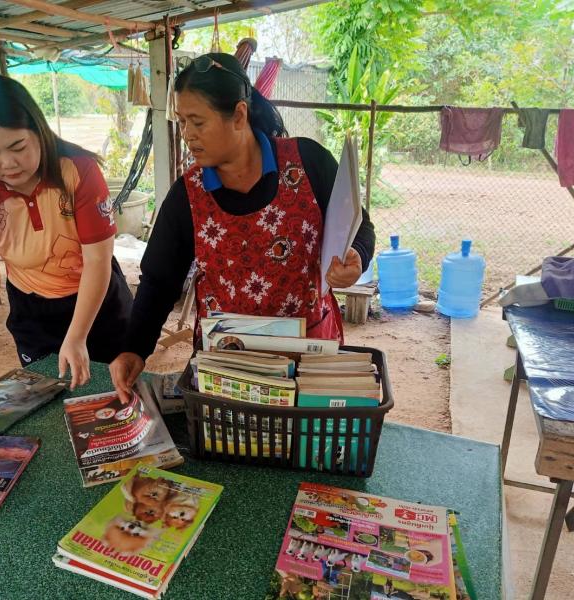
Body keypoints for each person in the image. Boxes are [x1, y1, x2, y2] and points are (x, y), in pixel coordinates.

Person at [110, 53, 375, 400]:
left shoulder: (308, 163)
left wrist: (356, 256)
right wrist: (134, 348)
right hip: (226, 366)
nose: (187, 134)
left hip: (309, 361)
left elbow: (359, 226)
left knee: (305, 433)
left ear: (238, 115)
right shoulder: (188, 195)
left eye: (198, 122)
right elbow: (158, 283)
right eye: (182, 122)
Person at [0, 74, 132, 393]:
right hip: (33, 312)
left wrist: (77, 336)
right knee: (51, 399)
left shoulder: (78, 170)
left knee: (116, 395)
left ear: (38, 130)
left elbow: (97, 261)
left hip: (98, 303)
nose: (8, 163)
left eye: (18, 147)